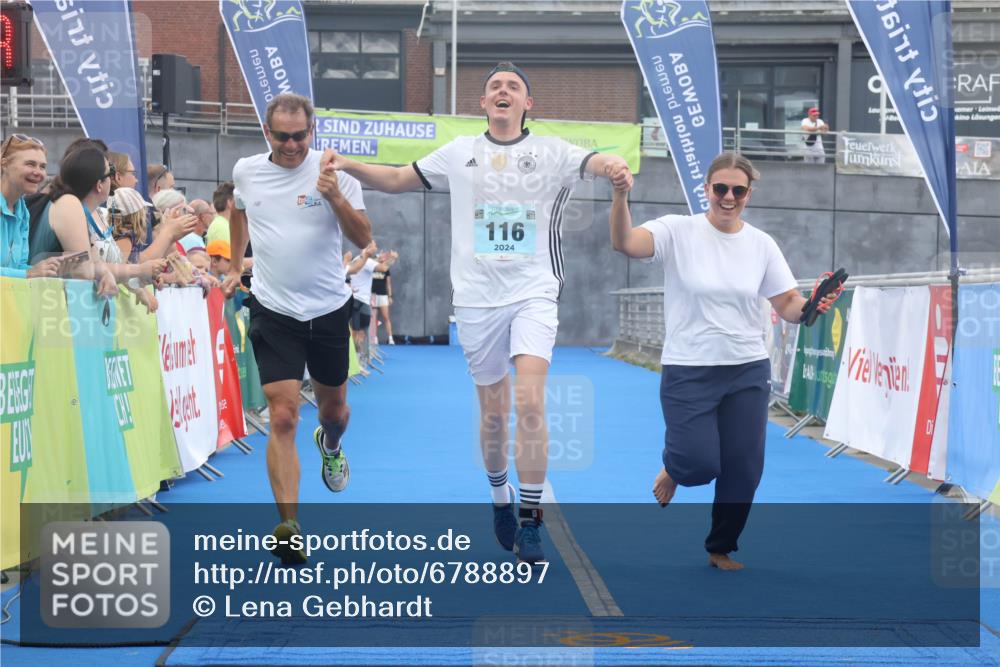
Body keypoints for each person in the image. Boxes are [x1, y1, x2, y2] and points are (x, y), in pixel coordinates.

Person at [326, 62, 631, 564]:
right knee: (493, 414)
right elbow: (399, 178)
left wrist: (614, 166)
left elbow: (595, 161)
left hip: (534, 291)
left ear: (528, 103)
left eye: (513, 86)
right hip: (475, 298)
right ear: (484, 103)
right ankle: (499, 496)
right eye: (495, 87)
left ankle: (531, 519)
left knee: (530, 403)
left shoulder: (551, 151)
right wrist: (348, 165)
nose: (503, 91)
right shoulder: (459, 151)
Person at [608, 152, 838, 571]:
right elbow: (625, 243)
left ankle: (721, 547)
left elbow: (787, 302)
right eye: (720, 188)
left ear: (749, 194)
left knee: (744, 468)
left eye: (738, 190)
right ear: (707, 190)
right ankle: (675, 467)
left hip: (747, 367)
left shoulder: (761, 244)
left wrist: (812, 307)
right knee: (698, 465)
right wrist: (621, 196)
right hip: (689, 368)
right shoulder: (677, 230)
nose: (728, 197)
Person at [220, 93, 372, 565]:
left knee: (334, 413)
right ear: (267, 132)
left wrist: (334, 195)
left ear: (312, 131)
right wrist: (235, 265)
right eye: (281, 137)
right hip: (274, 310)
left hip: (328, 309)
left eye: (299, 136)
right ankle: (290, 526)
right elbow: (238, 209)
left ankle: (331, 445)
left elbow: (364, 236)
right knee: (283, 415)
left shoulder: (335, 171)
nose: (290, 146)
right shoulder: (247, 170)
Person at [1, 134, 65, 278]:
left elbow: (19, 267)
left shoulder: (23, 212)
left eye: (42, 166)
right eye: (30, 164)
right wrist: (29, 273)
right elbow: (24, 273)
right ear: (4, 164)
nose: (38, 172)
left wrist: (47, 270)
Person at [371, 250, 398, 344]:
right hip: (372, 295)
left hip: (382, 294)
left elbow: (388, 283)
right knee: (373, 318)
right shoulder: (372, 266)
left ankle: (390, 338)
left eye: (383, 256)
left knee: (386, 317)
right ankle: (374, 338)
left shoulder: (386, 269)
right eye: (380, 256)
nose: (382, 258)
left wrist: (389, 296)